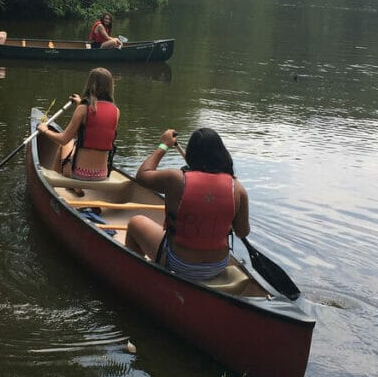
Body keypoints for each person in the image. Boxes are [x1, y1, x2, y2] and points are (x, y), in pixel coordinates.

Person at [125, 127, 250, 282]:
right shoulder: (237, 189)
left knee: (135, 223)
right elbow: (242, 232)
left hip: (179, 264)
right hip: (217, 265)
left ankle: (134, 279)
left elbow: (142, 175)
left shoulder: (175, 179)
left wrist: (164, 145)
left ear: (191, 154)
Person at [37, 67, 119, 180]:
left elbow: (63, 139)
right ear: (110, 86)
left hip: (80, 173)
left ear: (90, 84)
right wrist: (80, 103)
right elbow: (96, 125)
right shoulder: (116, 111)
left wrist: (44, 130)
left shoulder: (83, 109)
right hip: (102, 174)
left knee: (65, 144)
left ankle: (55, 180)